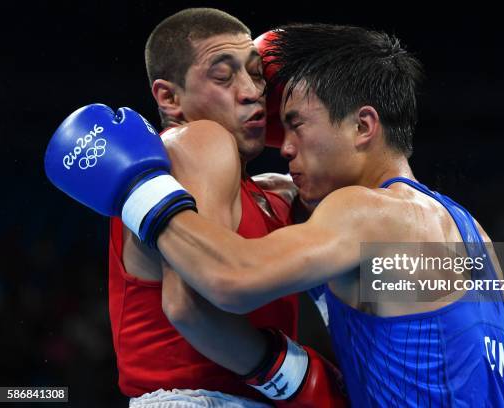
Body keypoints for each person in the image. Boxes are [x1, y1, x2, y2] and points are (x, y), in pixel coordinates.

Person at [45, 23, 504, 406]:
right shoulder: (467, 234)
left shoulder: (366, 213)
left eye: (294, 125)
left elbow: (229, 280)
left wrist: (139, 188)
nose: (283, 146)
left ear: (363, 126)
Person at [48, 9, 345, 407]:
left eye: (257, 73)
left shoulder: (271, 196)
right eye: (223, 76)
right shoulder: (198, 140)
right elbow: (190, 304)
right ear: (169, 98)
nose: (252, 91)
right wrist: (295, 379)